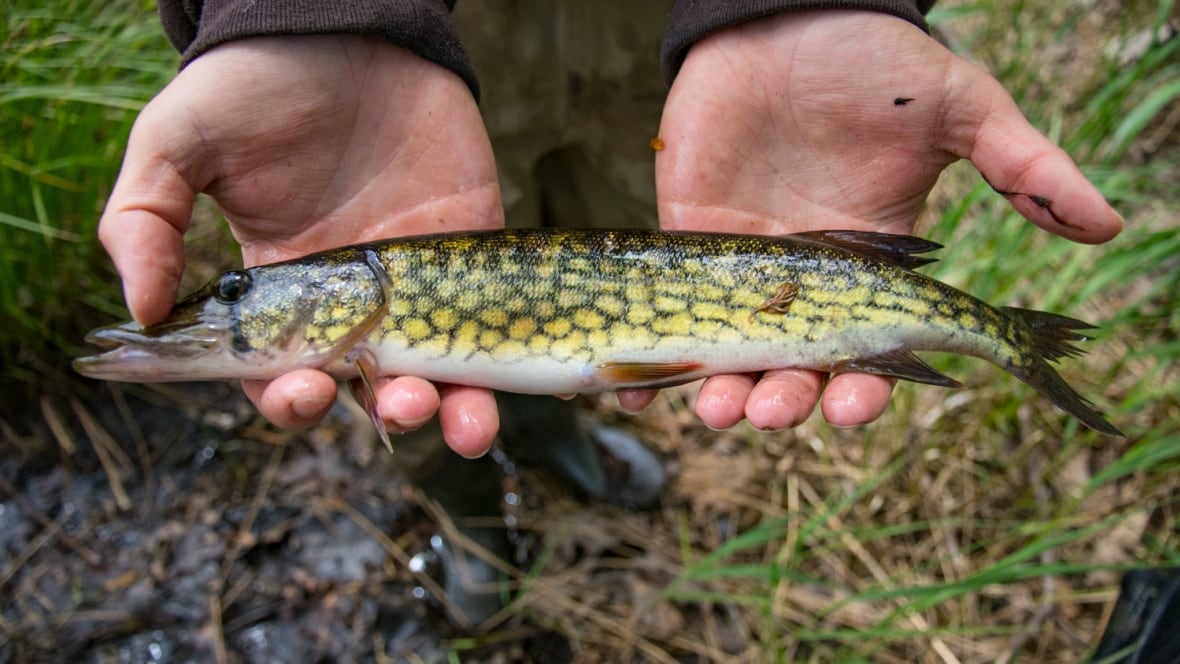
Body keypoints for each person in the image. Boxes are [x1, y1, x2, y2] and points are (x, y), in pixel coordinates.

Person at [97, 0, 1122, 625]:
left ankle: (560, 443)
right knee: (403, 402)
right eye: (237, 296)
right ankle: (474, 522)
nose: (226, 304)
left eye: (236, 294)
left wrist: (803, 0)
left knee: (624, 234)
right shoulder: (361, 299)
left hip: (677, 59)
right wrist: (301, 11)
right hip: (415, 50)